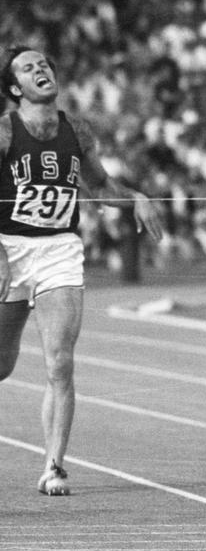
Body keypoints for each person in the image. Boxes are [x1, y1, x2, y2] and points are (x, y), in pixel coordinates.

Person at [0, 46, 165, 496]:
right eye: (29, 69)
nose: (41, 71)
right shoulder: (4, 131)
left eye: (44, 65)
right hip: (8, 247)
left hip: (59, 250)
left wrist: (137, 198)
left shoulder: (77, 129)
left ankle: (54, 467)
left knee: (61, 362)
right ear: (15, 88)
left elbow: (100, 185)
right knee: (2, 364)